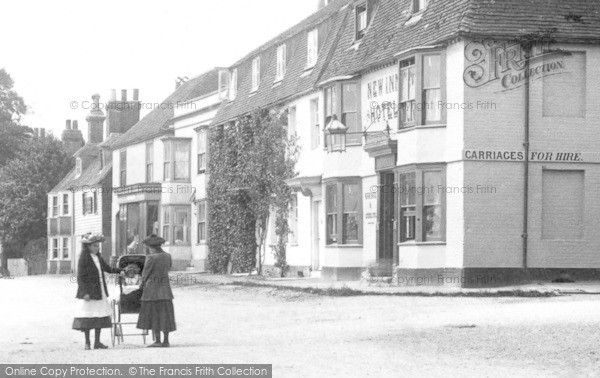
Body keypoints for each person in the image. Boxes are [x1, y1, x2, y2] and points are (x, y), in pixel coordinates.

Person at [72, 232, 122, 350]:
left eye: (98, 246)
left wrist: (120, 271)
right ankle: (87, 342)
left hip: (99, 290)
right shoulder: (83, 258)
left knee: (99, 316)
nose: (97, 248)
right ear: (88, 246)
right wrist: (84, 293)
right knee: (88, 317)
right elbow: (80, 278)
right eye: (94, 246)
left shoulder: (98, 257)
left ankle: (97, 342)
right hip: (89, 291)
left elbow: (107, 268)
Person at [136, 234, 176, 347]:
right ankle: (166, 340)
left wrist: (141, 285)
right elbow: (169, 268)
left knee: (154, 315)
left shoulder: (151, 257)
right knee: (165, 315)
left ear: (150, 247)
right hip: (165, 289)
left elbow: (145, 274)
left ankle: (158, 340)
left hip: (152, 291)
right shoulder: (168, 256)